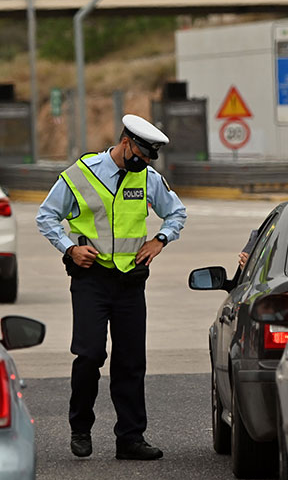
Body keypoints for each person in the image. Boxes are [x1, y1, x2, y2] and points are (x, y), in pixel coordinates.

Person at [35, 114, 187, 461]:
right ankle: (80, 427)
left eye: (149, 158)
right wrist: (69, 248)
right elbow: (46, 216)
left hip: (130, 281)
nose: (145, 162)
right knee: (89, 355)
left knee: (131, 361)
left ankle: (130, 438)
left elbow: (177, 213)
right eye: (142, 155)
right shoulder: (81, 174)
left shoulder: (147, 178)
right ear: (126, 143)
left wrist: (160, 240)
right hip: (91, 279)